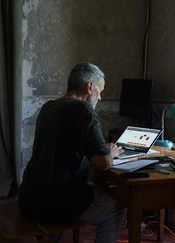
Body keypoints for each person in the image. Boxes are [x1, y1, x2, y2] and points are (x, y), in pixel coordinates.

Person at [18, 62, 125, 243]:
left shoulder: (48, 107)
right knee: (117, 206)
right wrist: (111, 153)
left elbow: (64, 146)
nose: (100, 98)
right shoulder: (83, 110)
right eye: (100, 91)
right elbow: (104, 163)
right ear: (90, 87)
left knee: (71, 189)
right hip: (53, 203)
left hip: (29, 197)